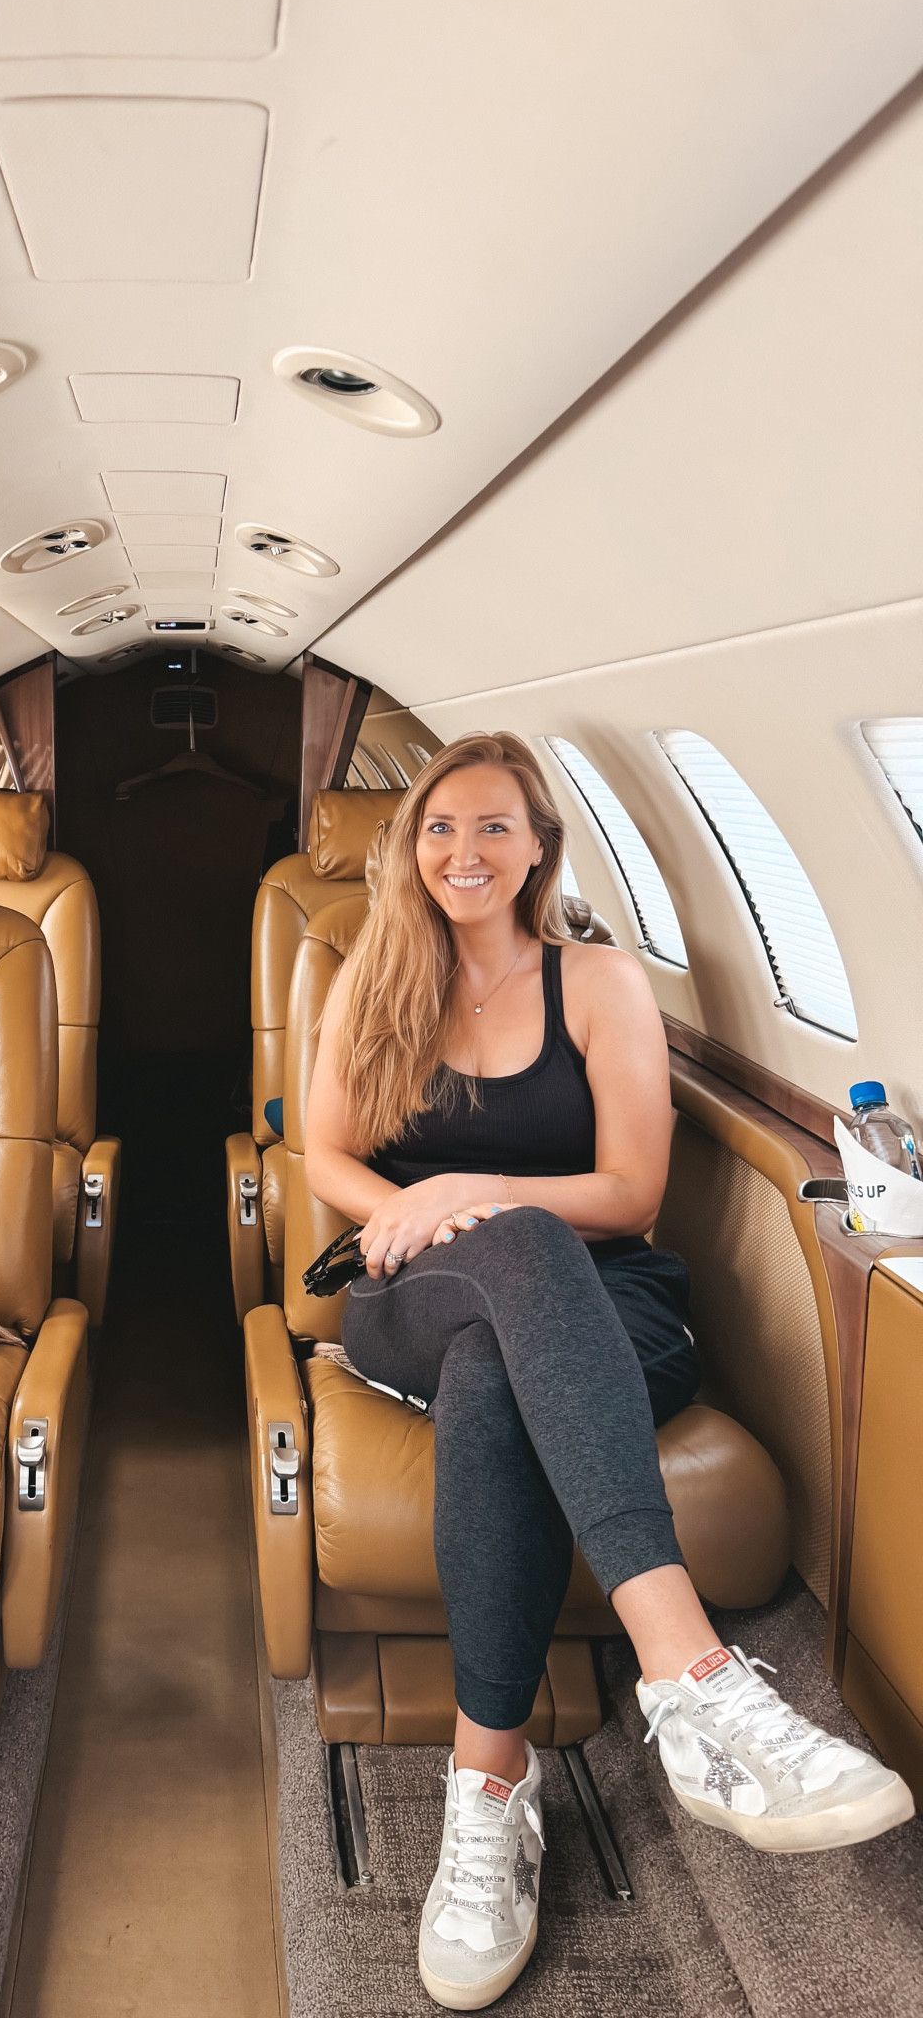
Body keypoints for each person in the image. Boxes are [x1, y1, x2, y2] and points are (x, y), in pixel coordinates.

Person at [304, 732, 913, 2011]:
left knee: (493, 1372)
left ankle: (486, 1786)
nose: (463, 852)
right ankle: (692, 1676)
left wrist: (477, 1187)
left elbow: (631, 1191)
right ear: (412, 850)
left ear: (539, 846)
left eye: (492, 827)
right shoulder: (371, 977)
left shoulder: (598, 981)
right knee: (487, 1293)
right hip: (404, 1287)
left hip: (603, 1296)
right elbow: (329, 1161)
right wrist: (426, 1213)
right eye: (438, 828)